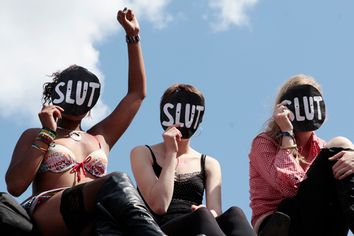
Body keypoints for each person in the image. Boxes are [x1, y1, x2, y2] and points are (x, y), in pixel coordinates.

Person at [5, 8, 164, 236]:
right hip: (48, 212)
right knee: (117, 180)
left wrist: (133, 37)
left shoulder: (100, 138)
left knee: (110, 225)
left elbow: (136, 94)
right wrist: (47, 133)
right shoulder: (35, 134)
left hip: (92, 217)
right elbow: (15, 186)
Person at [130, 83, 256, 236]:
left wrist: (210, 214)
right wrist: (171, 153)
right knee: (201, 216)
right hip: (158, 230)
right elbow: (159, 205)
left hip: (199, 223)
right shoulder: (142, 153)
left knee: (235, 214)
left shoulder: (209, 163)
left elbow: (215, 211)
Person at [249, 74, 354, 236]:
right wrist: (286, 132)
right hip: (281, 224)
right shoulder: (264, 143)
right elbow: (290, 188)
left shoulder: (323, 148)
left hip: (317, 219)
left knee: (346, 154)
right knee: (342, 144)